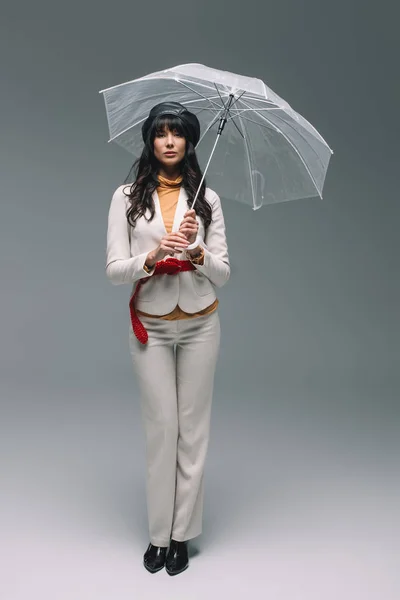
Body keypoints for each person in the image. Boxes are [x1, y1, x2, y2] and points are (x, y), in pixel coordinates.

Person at [105, 101, 230, 575]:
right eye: (162, 133)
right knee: (162, 431)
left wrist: (197, 249)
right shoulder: (126, 197)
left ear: (191, 141)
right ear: (150, 141)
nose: (170, 141)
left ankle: (181, 537)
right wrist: (153, 255)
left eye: (178, 133)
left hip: (201, 322)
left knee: (193, 433)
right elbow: (115, 271)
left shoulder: (207, 200)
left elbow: (224, 272)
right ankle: (158, 536)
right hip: (151, 325)